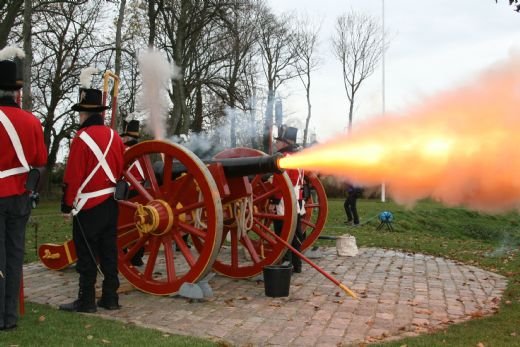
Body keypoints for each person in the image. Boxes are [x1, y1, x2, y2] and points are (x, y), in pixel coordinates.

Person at [59, 86, 125, 313]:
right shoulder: (115, 137)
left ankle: (86, 300)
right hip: (110, 203)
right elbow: (120, 169)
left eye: (80, 113)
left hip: (88, 206)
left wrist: (67, 206)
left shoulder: (81, 138)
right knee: (109, 252)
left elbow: (73, 176)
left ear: (85, 114)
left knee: (86, 255)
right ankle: (110, 297)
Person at [0, 58, 47, 330]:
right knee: (15, 255)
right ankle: (10, 316)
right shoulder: (31, 122)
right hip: (20, 196)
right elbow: (40, 162)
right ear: (16, 92)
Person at [271, 125, 306, 273]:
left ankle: (287, 264)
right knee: (295, 233)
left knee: (283, 233)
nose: (276, 144)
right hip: (296, 200)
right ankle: (296, 264)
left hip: (284, 201)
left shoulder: (284, 159)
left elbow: (280, 183)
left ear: (285, 143)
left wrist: (273, 201)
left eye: (278, 141)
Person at [120, 119, 145, 266]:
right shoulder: (144, 150)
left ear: (127, 137)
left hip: (127, 191)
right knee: (139, 224)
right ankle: (137, 256)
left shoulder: (123, 149)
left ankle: (123, 252)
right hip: (142, 191)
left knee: (123, 224)